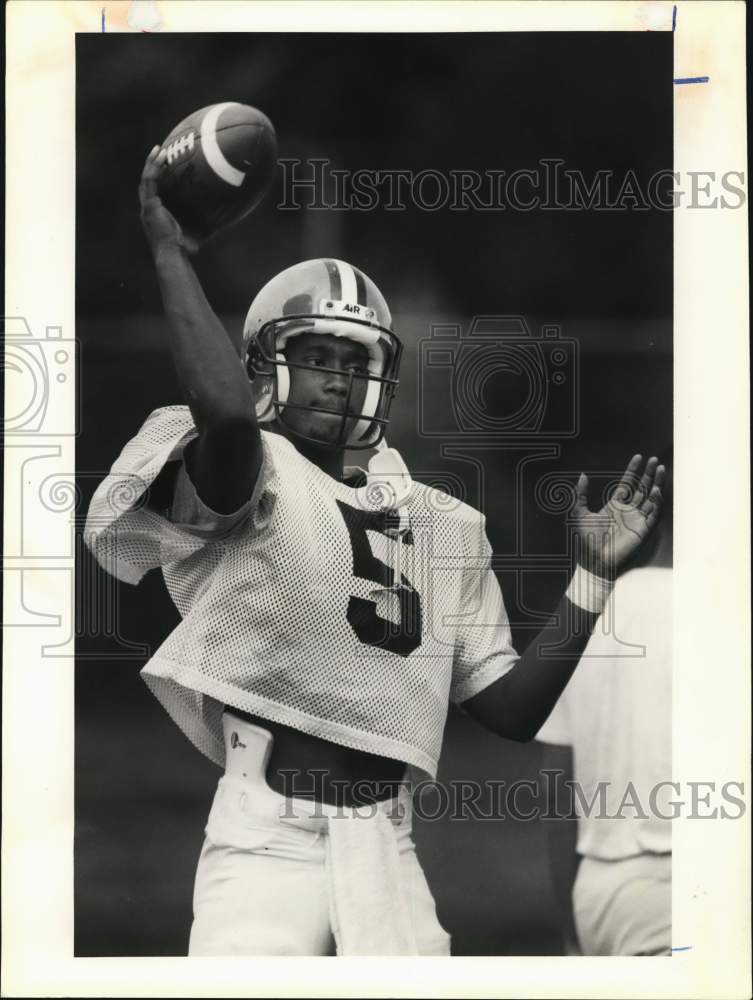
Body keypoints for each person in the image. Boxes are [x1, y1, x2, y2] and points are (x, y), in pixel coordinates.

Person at [84, 145, 665, 956]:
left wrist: (593, 580)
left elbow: (509, 710)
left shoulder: (441, 521)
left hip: (387, 846)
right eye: (316, 356)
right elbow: (222, 419)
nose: (335, 379)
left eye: (355, 362)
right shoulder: (253, 470)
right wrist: (172, 256)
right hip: (266, 845)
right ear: (262, 368)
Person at [536, 458, 673, 956]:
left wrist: (572, 928)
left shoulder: (585, 614)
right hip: (674, 880)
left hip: (598, 894)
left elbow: (555, 787)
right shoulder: (719, 607)